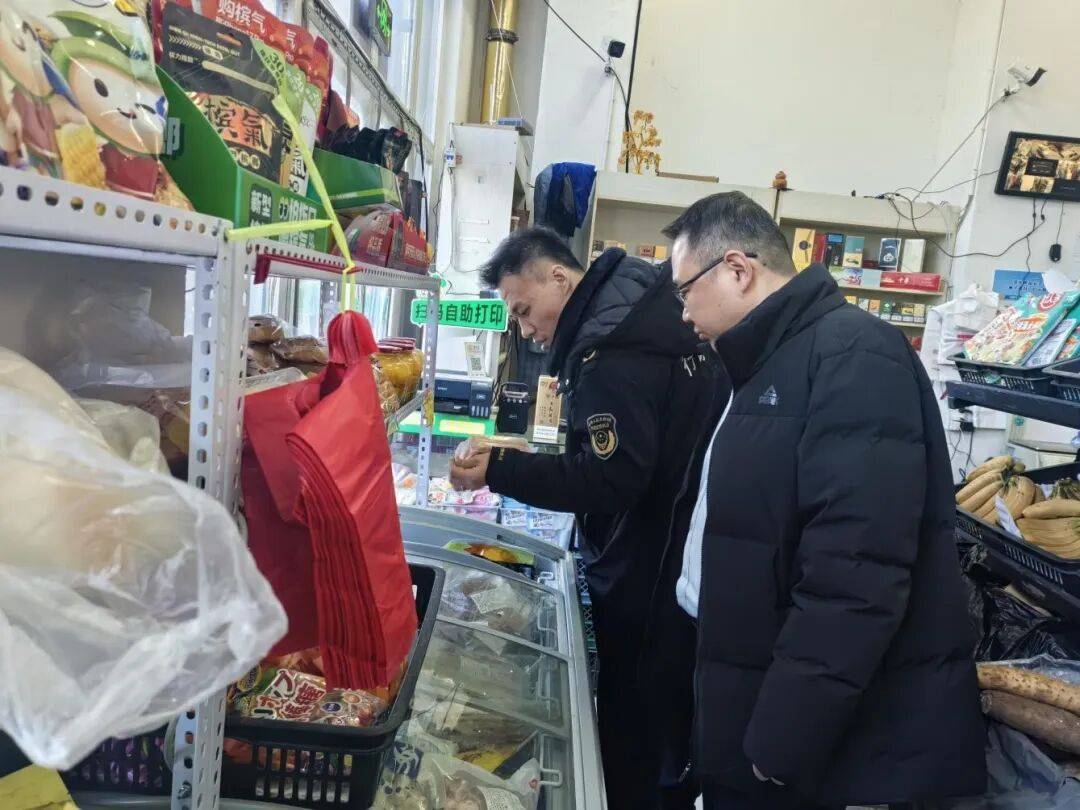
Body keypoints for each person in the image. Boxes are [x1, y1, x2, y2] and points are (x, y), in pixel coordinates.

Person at [663, 192, 987, 810]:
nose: (683, 312)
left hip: (812, 750)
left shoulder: (855, 358)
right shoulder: (763, 362)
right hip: (752, 704)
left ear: (737, 269)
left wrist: (778, 745)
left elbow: (855, 580)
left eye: (684, 291)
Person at [450, 227, 721, 810]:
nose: (526, 330)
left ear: (559, 277)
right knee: (662, 731)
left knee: (632, 734)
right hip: (677, 560)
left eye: (524, 311)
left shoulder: (611, 351)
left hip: (647, 573)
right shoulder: (640, 306)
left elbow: (610, 480)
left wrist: (500, 470)